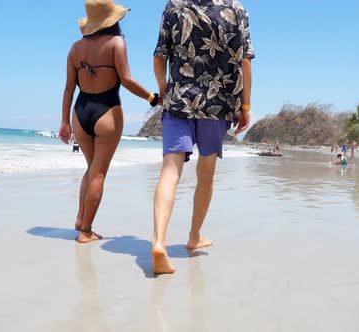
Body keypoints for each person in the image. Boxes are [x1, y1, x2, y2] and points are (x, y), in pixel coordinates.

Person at [151, 0, 254, 274]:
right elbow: (245, 61)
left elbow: (160, 57)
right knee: (205, 173)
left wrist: (164, 91)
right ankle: (194, 236)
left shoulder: (174, 6)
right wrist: (245, 106)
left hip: (178, 102)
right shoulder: (237, 9)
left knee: (169, 172)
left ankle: (159, 241)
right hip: (218, 105)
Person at [58, 0, 159, 243]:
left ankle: (81, 219)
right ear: (112, 20)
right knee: (99, 173)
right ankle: (86, 232)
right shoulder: (116, 43)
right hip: (107, 111)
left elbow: (69, 89)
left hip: (79, 112)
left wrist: (65, 122)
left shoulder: (74, 49)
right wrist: (152, 98)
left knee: (91, 168)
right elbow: (126, 80)